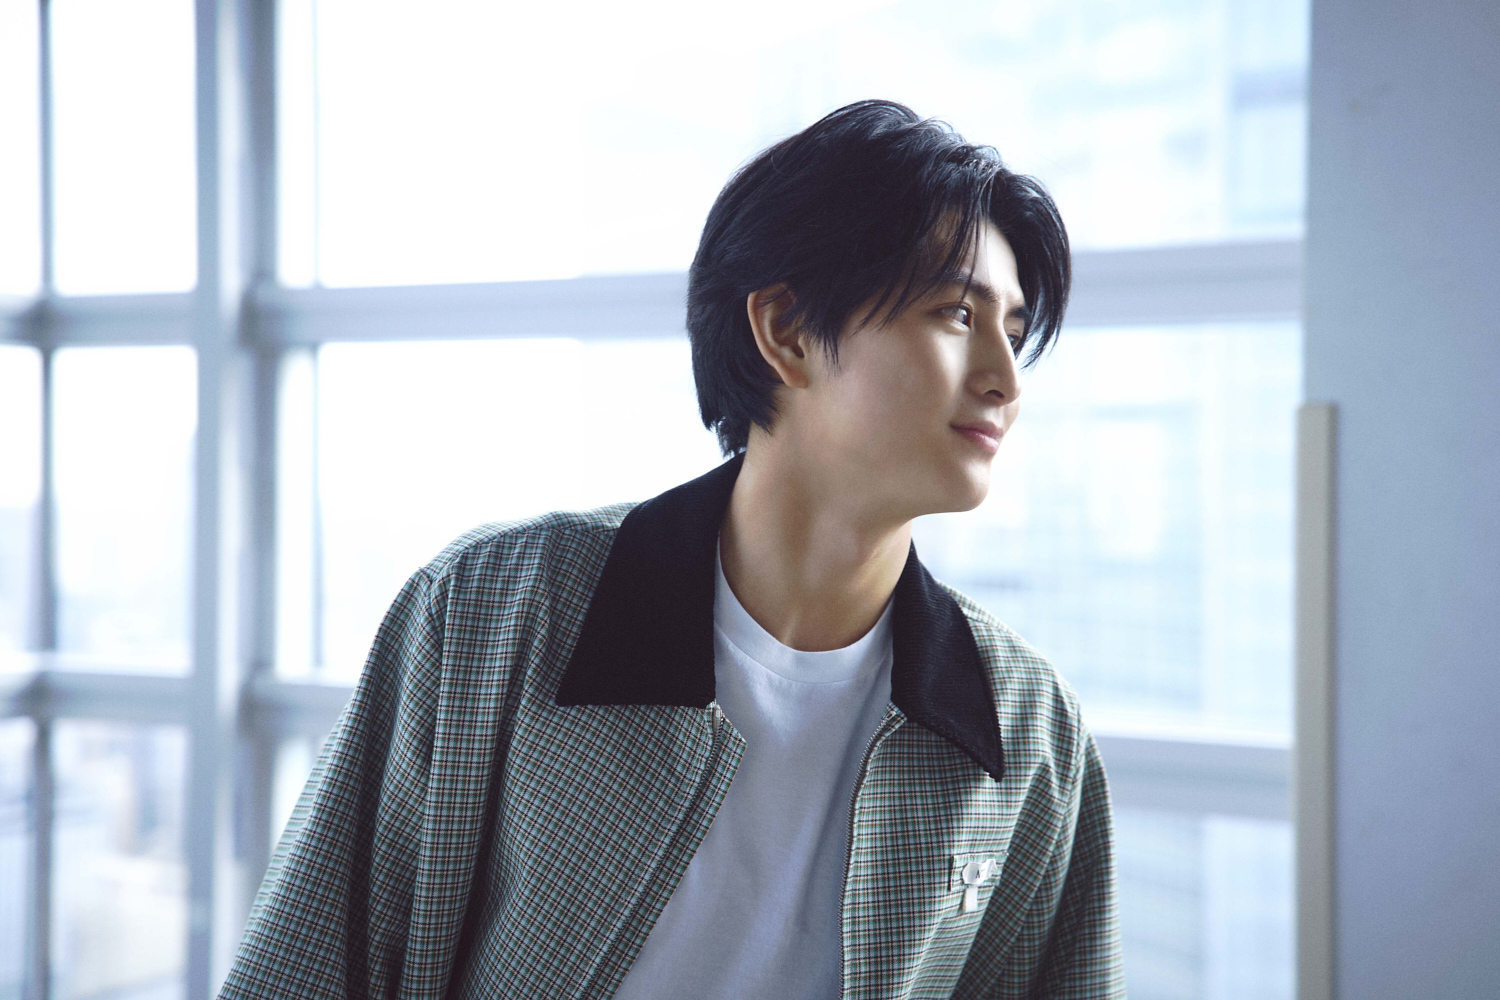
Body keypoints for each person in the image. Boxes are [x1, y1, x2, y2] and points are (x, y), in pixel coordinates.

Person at [220, 100, 1124, 1000]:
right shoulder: (494, 611)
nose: (1005, 380)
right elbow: (301, 972)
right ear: (786, 331)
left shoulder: (1026, 730)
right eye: (957, 315)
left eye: (1014, 334)